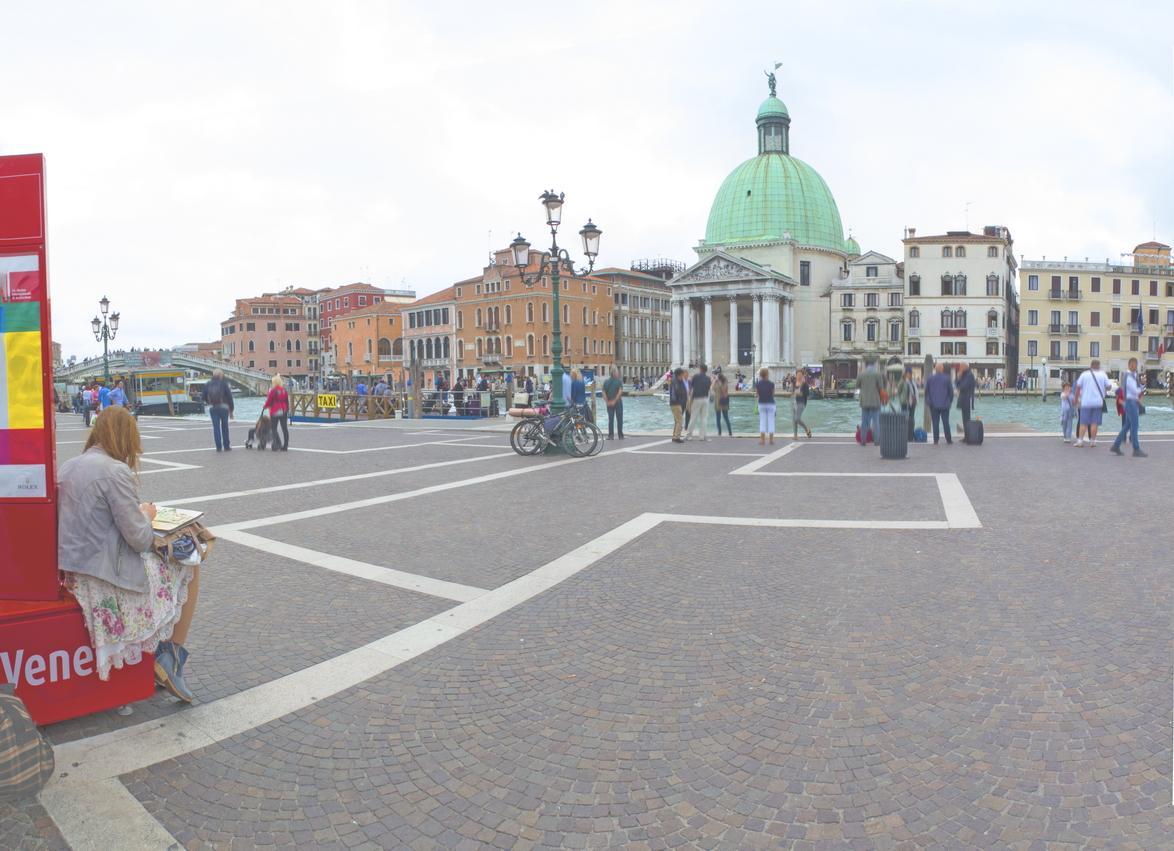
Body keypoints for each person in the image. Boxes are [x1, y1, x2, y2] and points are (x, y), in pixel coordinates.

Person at [57, 406, 201, 701]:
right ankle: (171, 657)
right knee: (192, 563)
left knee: (180, 560)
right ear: (125, 437)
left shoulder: (69, 465)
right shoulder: (115, 471)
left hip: (72, 570)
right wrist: (146, 513)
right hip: (101, 576)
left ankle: (164, 654)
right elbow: (139, 539)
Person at [1109, 358, 1147, 457]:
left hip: (1129, 402)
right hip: (1131, 402)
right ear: (1128, 365)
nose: (1134, 366)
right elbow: (1135, 391)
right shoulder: (1129, 376)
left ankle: (1116, 445)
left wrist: (1141, 385)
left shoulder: (1132, 376)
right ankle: (1136, 449)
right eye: (1132, 364)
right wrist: (1142, 385)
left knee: (1127, 426)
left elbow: (1136, 390)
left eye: (1136, 364)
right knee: (1134, 426)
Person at [1072, 358, 1109, 447]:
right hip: (1098, 402)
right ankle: (1093, 441)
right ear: (1099, 366)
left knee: (1083, 422)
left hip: (1086, 402)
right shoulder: (1103, 374)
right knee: (1094, 422)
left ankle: (1080, 441)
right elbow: (1108, 387)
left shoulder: (1084, 374)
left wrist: (1076, 399)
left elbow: (1078, 388)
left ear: (1091, 366)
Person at [202, 369, 235, 452]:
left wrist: (209, 402)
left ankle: (218, 447)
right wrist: (231, 408)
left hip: (213, 408)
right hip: (224, 407)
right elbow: (229, 396)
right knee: (224, 426)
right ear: (220, 375)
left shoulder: (208, 383)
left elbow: (203, 396)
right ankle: (226, 446)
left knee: (216, 427)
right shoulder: (223, 383)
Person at [925, 362, 954, 445]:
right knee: (946, 422)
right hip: (945, 404)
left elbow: (927, 392)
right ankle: (948, 440)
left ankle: (936, 440)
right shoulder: (947, 378)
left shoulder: (930, 378)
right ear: (942, 369)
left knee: (935, 423)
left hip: (933, 404)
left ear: (935, 369)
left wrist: (929, 402)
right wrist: (949, 401)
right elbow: (951, 392)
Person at [857, 359, 883, 446]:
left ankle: (863, 440)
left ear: (866, 365)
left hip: (864, 400)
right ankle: (876, 440)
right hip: (875, 400)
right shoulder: (877, 374)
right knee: (876, 421)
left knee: (864, 421)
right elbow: (881, 387)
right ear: (873, 364)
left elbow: (857, 386)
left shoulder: (861, 374)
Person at [262, 374, 290, 451]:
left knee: (273, 428)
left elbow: (269, 401)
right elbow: (287, 400)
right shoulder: (284, 390)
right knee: (284, 428)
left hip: (275, 410)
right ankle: (286, 445)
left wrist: (265, 406)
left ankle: (278, 443)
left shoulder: (273, 390)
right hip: (284, 410)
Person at [684, 363, 713, 441]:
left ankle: (689, 435)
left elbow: (691, 387)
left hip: (697, 398)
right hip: (705, 398)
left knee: (693, 417)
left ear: (700, 369)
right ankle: (702, 436)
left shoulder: (696, 376)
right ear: (706, 370)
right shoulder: (708, 378)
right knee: (704, 418)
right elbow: (709, 389)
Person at [602, 366, 625, 439]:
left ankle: (611, 434)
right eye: (617, 372)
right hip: (617, 402)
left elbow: (603, 392)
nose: (618, 373)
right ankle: (620, 434)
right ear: (615, 373)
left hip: (609, 402)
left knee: (610, 419)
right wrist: (615, 400)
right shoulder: (619, 381)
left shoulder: (606, 381)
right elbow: (620, 391)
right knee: (619, 418)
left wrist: (607, 401)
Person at [955, 361, 976, 439]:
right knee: (964, 418)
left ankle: (968, 436)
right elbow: (957, 385)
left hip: (967, 399)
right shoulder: (963, 375)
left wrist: (959, 385)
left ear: (966, 366)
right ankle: (966, 436)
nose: (960, 368)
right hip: (963, 398)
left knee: (967, 418)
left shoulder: (969, 375)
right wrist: (958, 378)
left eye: (961, 366)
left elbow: (963, 387)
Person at [756, 367, 776, 445]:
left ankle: (762, 440)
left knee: (762, 421)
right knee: (771, 421)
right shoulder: (771, 384)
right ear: (767, 374)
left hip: (761, 403)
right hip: (771, 403)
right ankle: (771, 440)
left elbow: (757, 394)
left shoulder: (758, 384)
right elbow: (773, 393)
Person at [668, 368, 688, 443]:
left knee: (677, 420)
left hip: (675, 403)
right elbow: (677, 392)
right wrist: (685, 391)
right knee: (679, 420)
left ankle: (675, 435)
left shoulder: (676, 381)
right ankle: (677, 437)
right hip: (675, 403)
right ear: (680, 374)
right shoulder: (676, 382)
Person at [792, 368, 811, 440]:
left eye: (800, 375)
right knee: (794, 420)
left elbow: (808, 394)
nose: (799, 376)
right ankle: (795, 435)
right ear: (796, 375)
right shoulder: (794, 383)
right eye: (798, 374)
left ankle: (806, 428)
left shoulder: (805, 384)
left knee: (797, 418)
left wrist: (800, 393)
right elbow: (793, 392)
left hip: (802, 402)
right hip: (794, 402)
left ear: (802, 376)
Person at [714, 372, 732, 436]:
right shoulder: (726, 385)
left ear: (718, 379)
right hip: (725, 402)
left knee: (718, 418)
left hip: (718, 402)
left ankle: (719, 432)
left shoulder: (717, 386)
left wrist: (714, 380)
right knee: (726, 417)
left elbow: (711, 388)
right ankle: (730, 431)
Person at [903, 366, 919, 441]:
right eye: (909, 373)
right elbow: (900, 392)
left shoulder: (912, 382)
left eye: (911, 373)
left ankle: (910, 435)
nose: (911, 375)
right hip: (905, 403)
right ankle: (905, 435)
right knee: (905, 419)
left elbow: (915, 392)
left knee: (911, 419)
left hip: (913, 403)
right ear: (906, 373)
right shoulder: (903, 382)